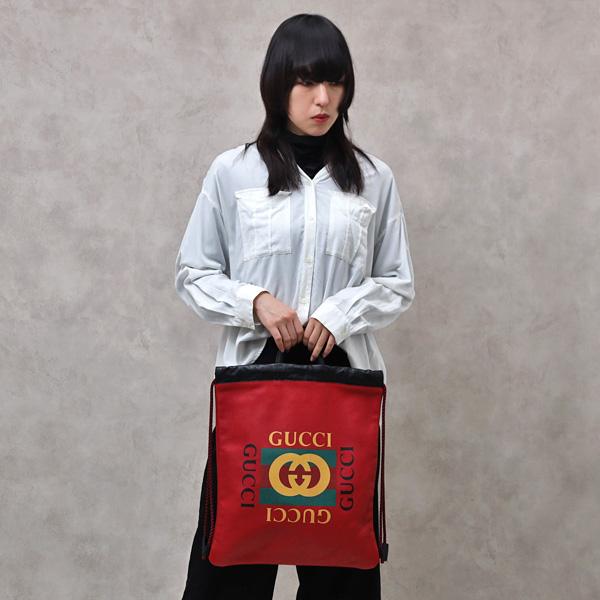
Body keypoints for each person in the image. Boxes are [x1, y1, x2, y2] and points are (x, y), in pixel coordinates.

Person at [174, 13, 415, 600]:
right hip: (254, 384)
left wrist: (342, 312)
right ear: (277, 84)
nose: (323, 98)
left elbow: (396, 281)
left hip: (342, 387)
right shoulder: (233, 172)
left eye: (335, 82)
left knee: (341, 573)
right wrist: (254, 301)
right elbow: (193, 272)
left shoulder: (373, 179)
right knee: (229, 569)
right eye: (306, 82)